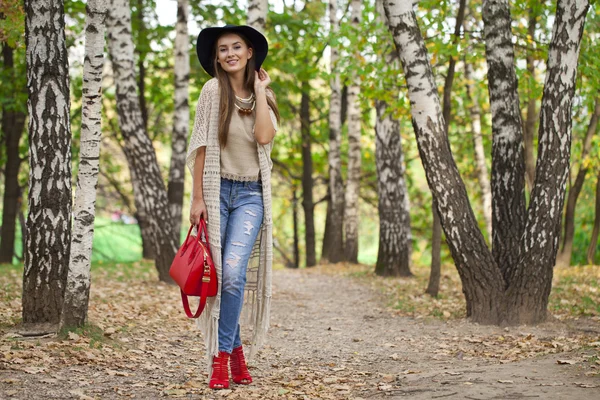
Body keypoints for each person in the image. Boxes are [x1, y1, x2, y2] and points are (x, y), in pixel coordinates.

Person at [185, 24, 280, 390]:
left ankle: (220, 359)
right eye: (222, 49)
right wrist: (197, 198)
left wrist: (259, 90)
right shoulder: (212, 91)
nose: (229, 54)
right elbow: (201, 147)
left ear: (250, 51)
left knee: (234, 273)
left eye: (236, 47)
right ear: (216, 56)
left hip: (251, 196)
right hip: (216, 191)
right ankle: (235, 354)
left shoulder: (263, 97)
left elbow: (264, 137)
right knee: (223, 278)